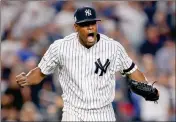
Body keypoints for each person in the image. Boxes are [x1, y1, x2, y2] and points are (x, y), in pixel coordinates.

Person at [16, 6, 159, 121]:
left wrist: (146, 85)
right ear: (76, 27)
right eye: (85, 24)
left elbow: (132, 70)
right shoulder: (60, 47)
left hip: (103, 113)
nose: (90, 27)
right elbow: (40, 72)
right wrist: (28, 79)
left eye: (92, 23)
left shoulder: (113, 47)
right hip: (73, 113)